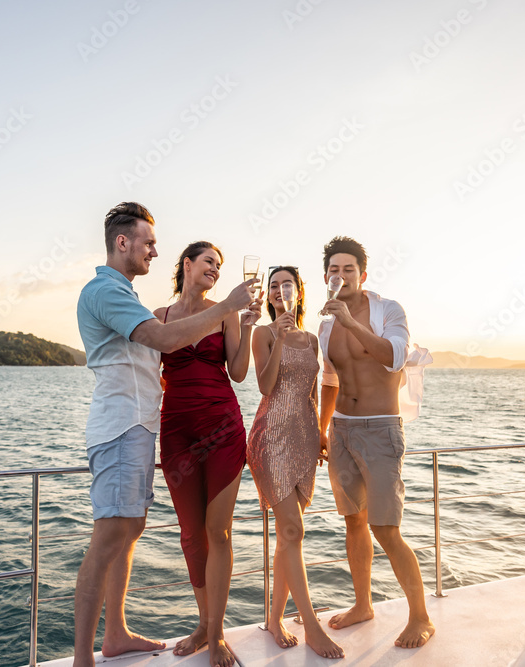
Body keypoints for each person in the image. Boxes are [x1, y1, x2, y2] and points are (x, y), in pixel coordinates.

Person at [73, 203, 256, 667]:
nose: (154, 250)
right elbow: (165, 342)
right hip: (133, 427)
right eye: (148, 242)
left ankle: (116, 635)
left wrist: (238, 320)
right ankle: (83, 659)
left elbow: (220, 369)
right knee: (118, 532)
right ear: (122, 242)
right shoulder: (116, 295)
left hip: (157, 426)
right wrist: (231, 306)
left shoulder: (126, 294)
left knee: (131, 529)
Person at [317, 237, 436, 649]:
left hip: (381, 429)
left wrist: (351, 321)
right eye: (333, 270)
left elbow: (395, 356)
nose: (340, 275)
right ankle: (363, 605)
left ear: (362, 275)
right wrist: (322, 427)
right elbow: (330, 378)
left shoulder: (388, 310)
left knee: (386, 528)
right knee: (353, 523)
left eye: (348, 269)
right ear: (326, 276)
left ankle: (420, 617)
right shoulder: (325, 324)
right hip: (343, 431)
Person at [152, 242, 263, 667]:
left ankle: (215, 633)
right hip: (177, 430)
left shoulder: (227, 310)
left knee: (218, 532)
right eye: (209, 262)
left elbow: (237, 372)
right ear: (187, 265)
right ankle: (202, 623)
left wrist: (248, 324)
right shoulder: (159, 318)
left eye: (220, 265)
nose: (216, 270)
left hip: (222, 426)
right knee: (190, 534)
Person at [246, 266, 345, 659]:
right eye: (274, 286)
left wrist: (321, 432)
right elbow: (266, 387)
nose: (279, 290)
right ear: (270, 297)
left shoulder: (312, 340)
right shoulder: (263, 334)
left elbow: (314, 391)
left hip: (304, 439)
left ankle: (274, 619)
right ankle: (312, 627)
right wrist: (280, 339)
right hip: (271, 439)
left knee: (289, 536)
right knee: (294, 530)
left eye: (286, 284)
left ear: (299, 292)